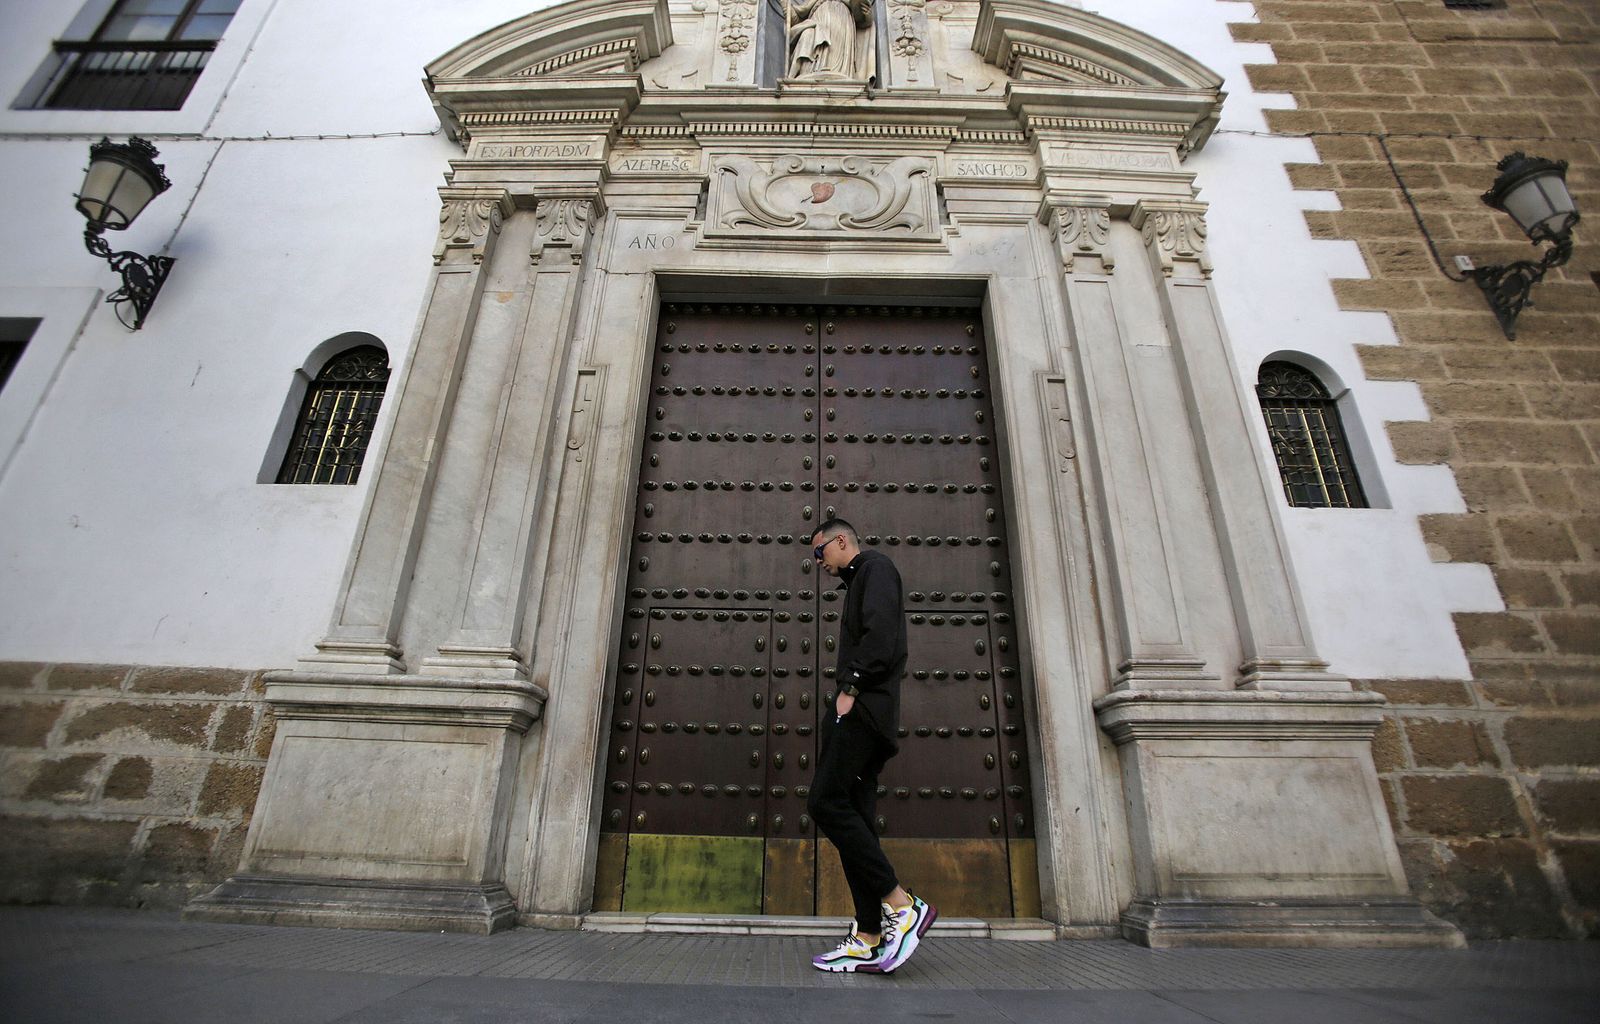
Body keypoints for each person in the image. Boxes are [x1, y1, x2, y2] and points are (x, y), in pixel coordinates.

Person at [807, 518, 936, 973]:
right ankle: (867, 935)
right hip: (866, 710)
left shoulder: (876, 568)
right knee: (855, 814)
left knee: (824, 802)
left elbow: (881, 639)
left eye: (819, 552)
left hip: (863, 709)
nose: (817, 563)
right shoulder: (859, 578)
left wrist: (851, 687)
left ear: (841, 541)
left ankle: (902, 906)